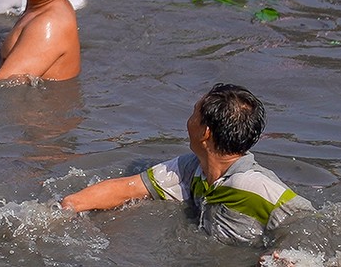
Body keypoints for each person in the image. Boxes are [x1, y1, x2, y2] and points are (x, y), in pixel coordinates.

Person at [62, 84, 312, 244]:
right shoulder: (190, 168)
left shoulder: (253, 185)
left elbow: (314, 224)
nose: (188, 120)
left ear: (205, 132)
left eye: (194, 112)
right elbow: (127, 188)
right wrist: (71, 205)